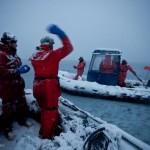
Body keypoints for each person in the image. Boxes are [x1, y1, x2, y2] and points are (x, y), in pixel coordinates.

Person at [30, 24, 73, 139]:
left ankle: (42, 131)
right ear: (50, 44)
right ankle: (46, 137)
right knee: (50, 111)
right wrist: (61, 34)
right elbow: (69, 48)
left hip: (37, 84)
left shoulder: (34, 56)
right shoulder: (52, 55)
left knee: (44, 109)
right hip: (48, 87)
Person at [0, 32, 31, 140]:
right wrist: (16, 70)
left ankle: (21, 120)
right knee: (7, 107)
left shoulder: (13, 54)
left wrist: (22, 68)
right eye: (15, 42)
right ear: (8, 42)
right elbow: (1, 71)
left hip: (17, 85)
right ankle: (7, 129)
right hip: (7, 86)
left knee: (21, 102)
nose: (16, 45)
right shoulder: (1, 54)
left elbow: (18, 65)